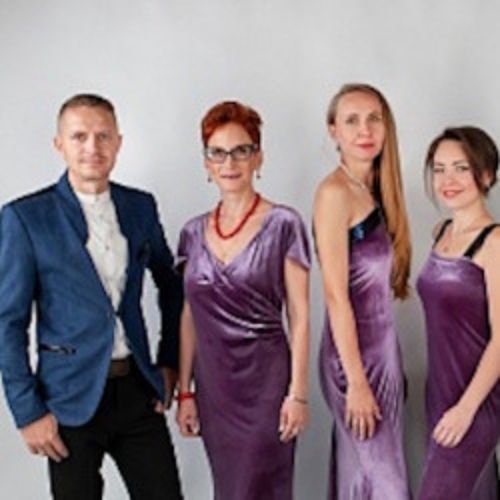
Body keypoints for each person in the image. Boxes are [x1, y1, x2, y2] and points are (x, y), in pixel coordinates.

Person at [0, 94, 183, 499]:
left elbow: (171, 285)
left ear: (118, 142)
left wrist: (169, 360)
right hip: (68, 398)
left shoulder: (139, 206)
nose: (92, 147)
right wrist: (27, 411)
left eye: (103, 136)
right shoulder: (26, 217)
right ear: (59, 144)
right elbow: (7, 322)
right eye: (79, 136)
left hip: (137, 389)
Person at [175, 100, 310, 500]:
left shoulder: (284, 223)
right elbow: (189, 316)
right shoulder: (192, 233)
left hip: (267, 385)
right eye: (218, 153)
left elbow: (300, 315)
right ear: (206, 163)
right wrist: (185, 391)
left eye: (241, 150)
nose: (229, 162)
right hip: (214, 389)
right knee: (230, 489)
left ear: (258, 157)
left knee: (261, 487)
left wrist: (298, 393)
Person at [314, 83, 411, 499]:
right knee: (383, 482)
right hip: (353, 359)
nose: (364, 130)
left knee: (368, 475)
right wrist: (356, 381)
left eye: (374, 119)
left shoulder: (374, 190)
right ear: (333, 131)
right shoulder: (334, 194)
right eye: (351, 120)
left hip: (383, 352)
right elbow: (336, 295)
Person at [417, 126, 500, 500]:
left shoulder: (494, 243)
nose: (447, 180)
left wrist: (466, 409)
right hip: (439, 394)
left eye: (461, 168)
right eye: (439, 169)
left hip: (475, 401)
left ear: (486, 175)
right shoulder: (442, 232)